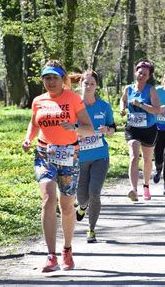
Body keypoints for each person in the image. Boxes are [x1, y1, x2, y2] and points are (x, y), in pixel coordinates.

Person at [22, 60, 94, 272]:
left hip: (69, 155)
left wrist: (75, 127)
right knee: (48, 199)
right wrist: (28, 139)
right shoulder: (38, 101)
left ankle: (67, 250)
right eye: (47, 78)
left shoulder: (73, 99)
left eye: (54, 77)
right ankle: (50, 255)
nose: (51, 82)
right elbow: (34, 123)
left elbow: (89, 128)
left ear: (63, 79)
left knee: (66, 206)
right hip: (44, 153)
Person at [74, 70, 116, 244]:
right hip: (80, 157)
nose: (89, 86)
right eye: (86, 83)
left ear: (96, 86)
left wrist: (108, 130)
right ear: (81, 84)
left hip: (100, 156)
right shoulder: (74, 106)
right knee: (82, 197)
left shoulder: (104, 106)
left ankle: (91, 229)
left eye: (92, 83)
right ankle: (82, 206)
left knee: (95, 193)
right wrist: (78, 133)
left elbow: (113, 128)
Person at [120, 61, 161, 201]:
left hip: (149, 129)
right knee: (134, 157)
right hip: (132, 129)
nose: (141, 75)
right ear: (135, 72)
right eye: (139, 72)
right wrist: (122, 108)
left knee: (148, 160)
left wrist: (142, 105)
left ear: (149, 76)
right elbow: (123, 100)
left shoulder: (151, 90)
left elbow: (157, 110)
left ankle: (146, 186)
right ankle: (134, 189)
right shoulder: (128, 88)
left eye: (145, 74)